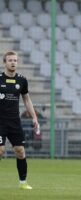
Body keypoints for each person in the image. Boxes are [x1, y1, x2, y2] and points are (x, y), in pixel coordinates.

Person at [0, 51, 39, 189]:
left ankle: (23, 183)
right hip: (0, 121)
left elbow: (27, 100)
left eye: (15, 60)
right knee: (1, 150)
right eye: (10, 60)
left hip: (14, 122)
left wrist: (34, 117)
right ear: (5, 62)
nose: (13, 62)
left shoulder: (22, 80)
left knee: (20, 151)